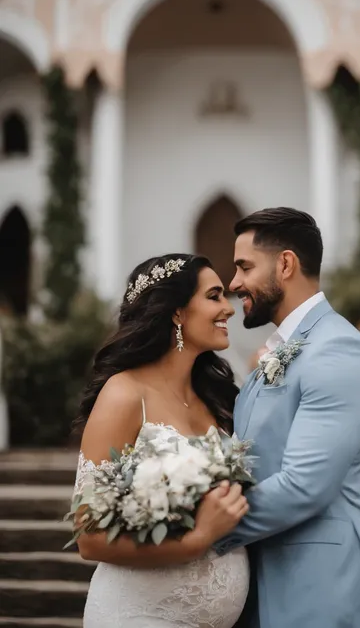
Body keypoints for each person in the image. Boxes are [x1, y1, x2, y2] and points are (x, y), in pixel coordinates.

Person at [214, 207, 360, 628]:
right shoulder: (282, 348)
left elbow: (304, 485)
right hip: (262, 587)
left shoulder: (340, 350)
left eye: (244, 266)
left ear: (285, 264)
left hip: (322, 591)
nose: (234, 283)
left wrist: (205, 531)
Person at [73, 254, 250, 628]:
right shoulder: (124, 394)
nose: (228, 308)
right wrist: (197, 539)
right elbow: (89, 537)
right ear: (177, 313)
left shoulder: (217, 400)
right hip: (139, 615)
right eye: (214, 296)